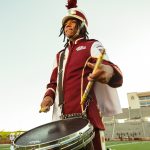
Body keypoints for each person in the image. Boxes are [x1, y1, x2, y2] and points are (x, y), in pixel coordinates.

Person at [40, 0, 123, 150]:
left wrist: (109, 72)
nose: (68, 25)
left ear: (82, 26)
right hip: (62, 122)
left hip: (87, 118)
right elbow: (53, 83)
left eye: (72, 22)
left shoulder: (91, 45)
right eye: (66, 23)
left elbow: (110, 67)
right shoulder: (59, 55)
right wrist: (48, 97)